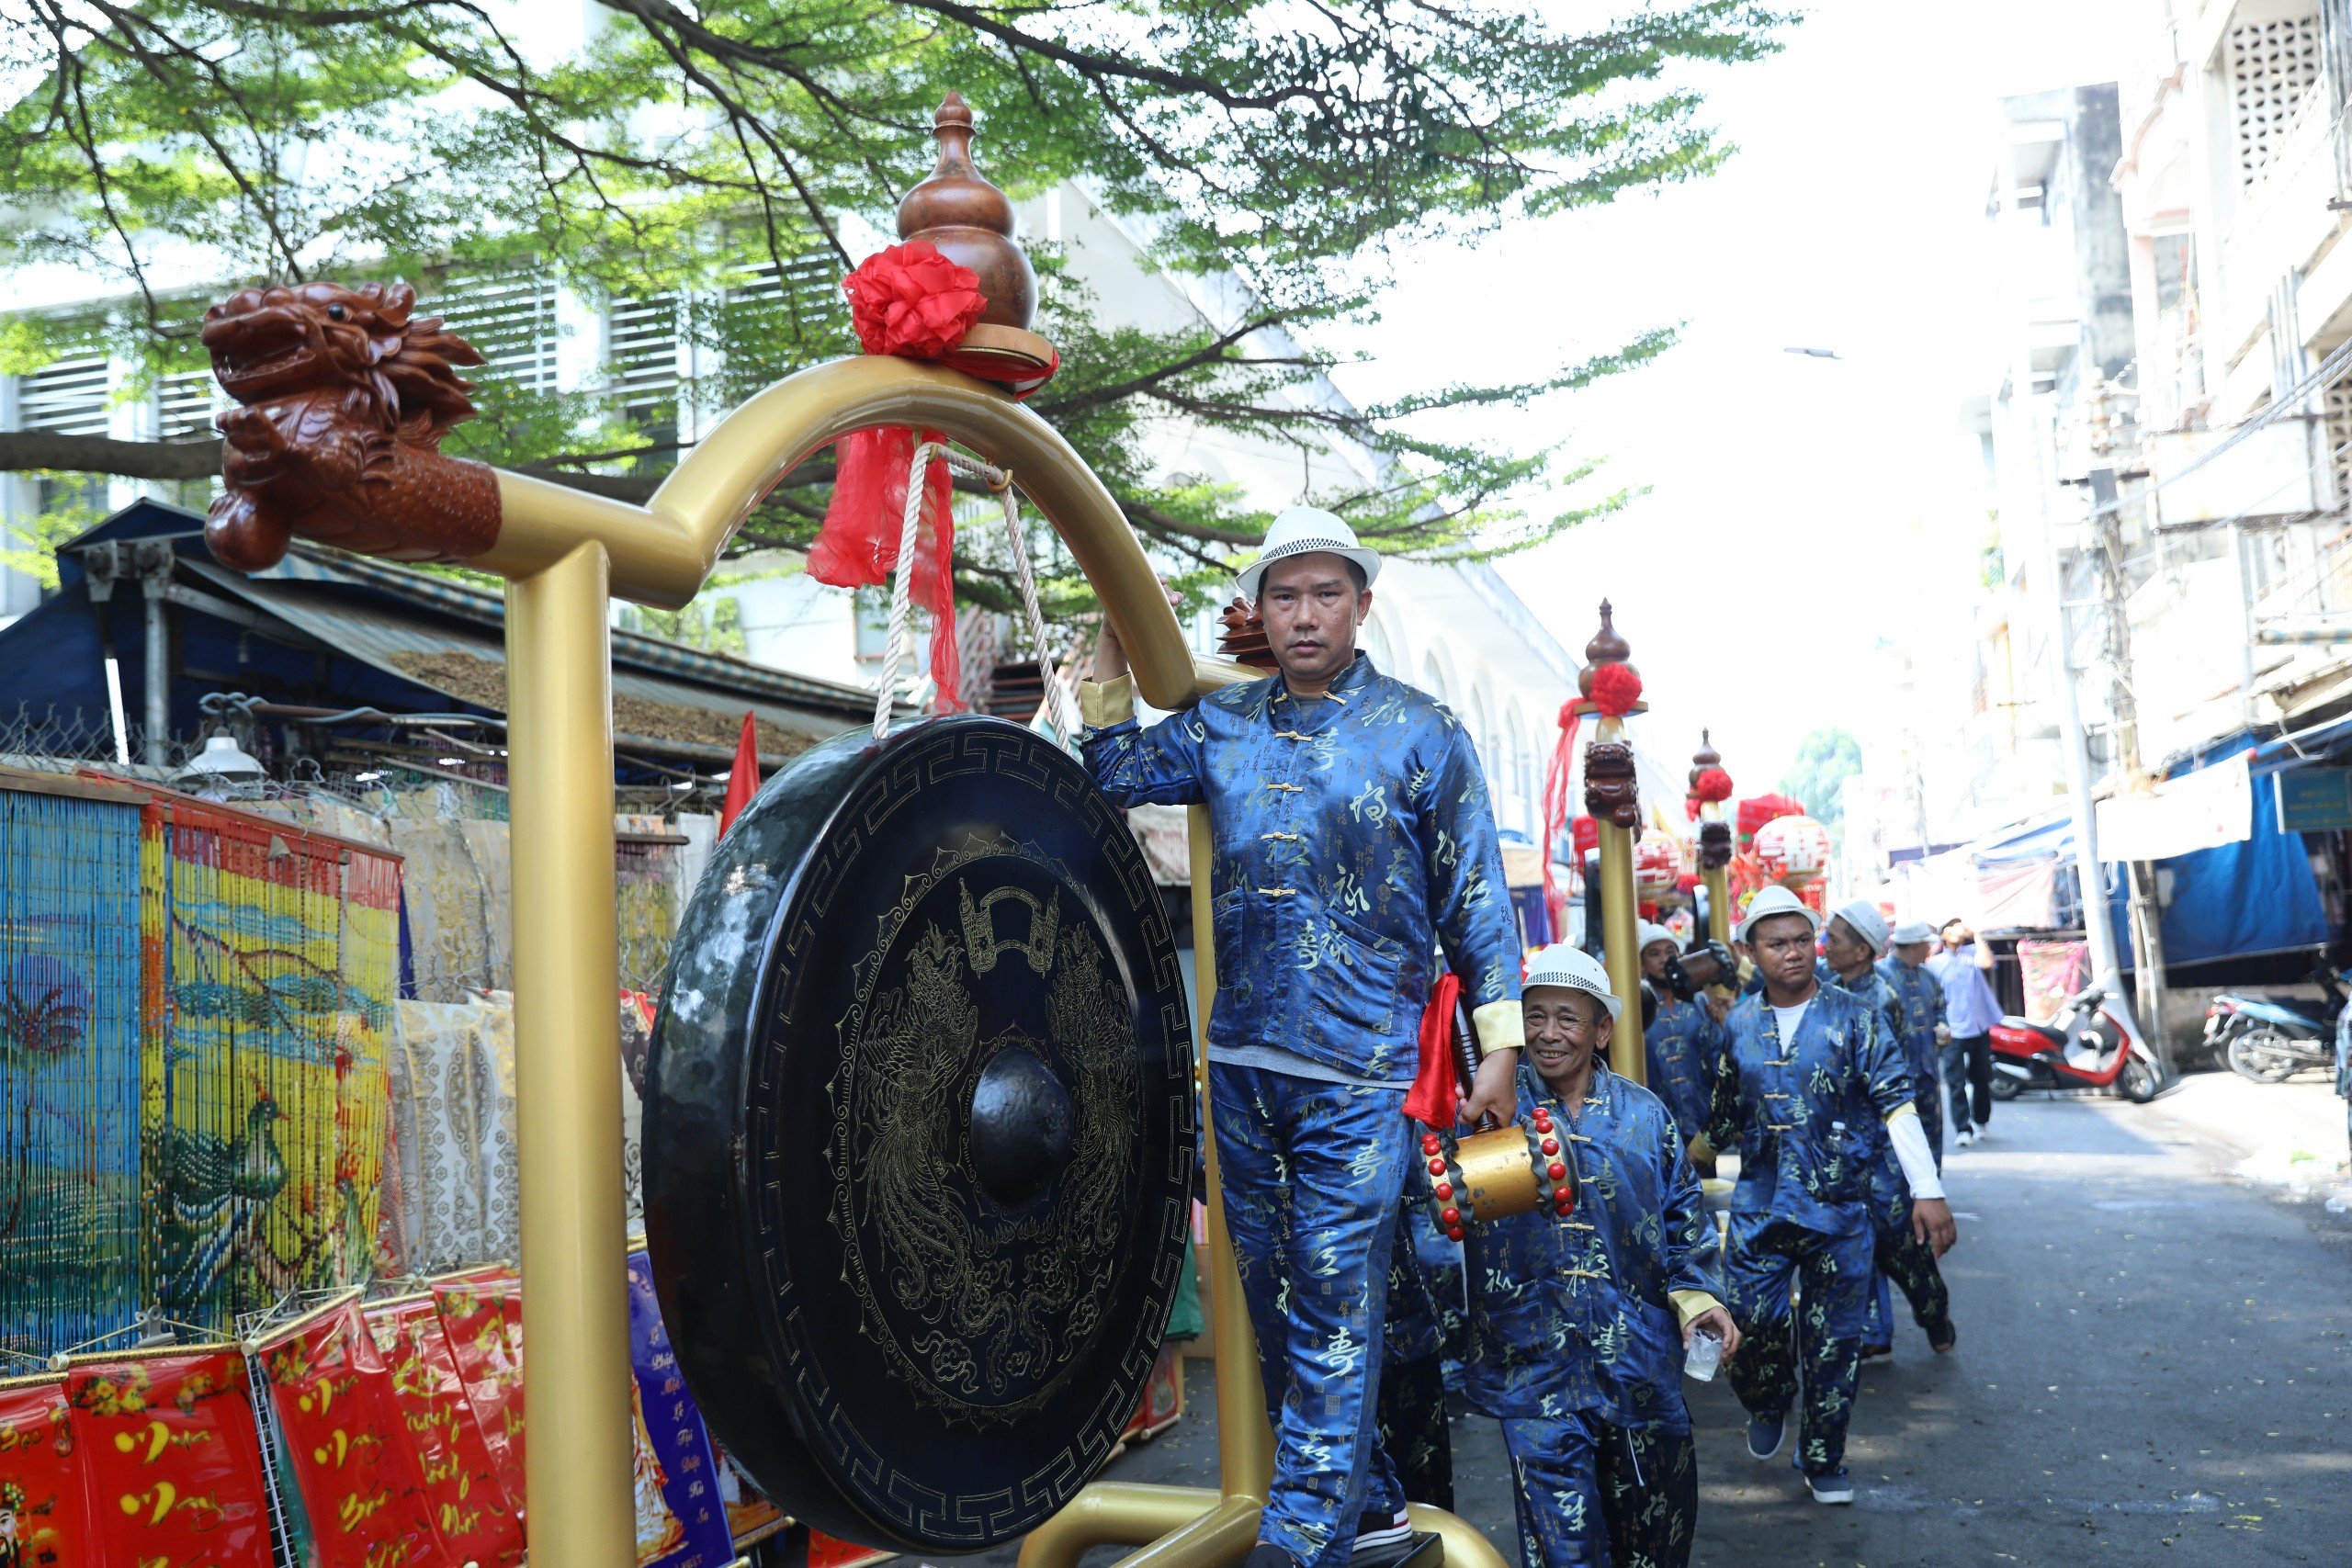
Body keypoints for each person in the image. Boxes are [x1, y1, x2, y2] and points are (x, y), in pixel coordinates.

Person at [1080, 508, 1523, 1568]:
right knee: (1278, 1305)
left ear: (1362, 607)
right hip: (1239, 1066)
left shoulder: (1424, 732)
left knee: (1331, 1293)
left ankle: (1301, 1535)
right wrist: (1107, 619)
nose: (1306, 614)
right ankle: (1366, 1502)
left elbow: (1477, 898)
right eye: (1286, 595)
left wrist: (1498, 1045)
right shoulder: (1225, 726)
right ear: (1259, 612)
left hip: (1361, 1076)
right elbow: (1110, 773)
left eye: (1327, 593)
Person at [1461, 942, 1739, 1568]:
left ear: (1602, 1028)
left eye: (1566, 1016)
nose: (1548, 1033)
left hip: (1638, 1366)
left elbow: (1685, 1226)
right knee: (1563, 1552)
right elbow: (1448, 1224)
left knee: (1654, 1540)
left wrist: (1698, 1304)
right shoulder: (1489, 1116)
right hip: (1534, 1370)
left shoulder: (1647, 1116)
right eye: (1534, 1017)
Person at [1692, 887, 1957, 1505]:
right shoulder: (1740, 1024)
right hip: (1760, 1211)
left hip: (1840, 1210)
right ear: (1751, 952)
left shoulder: (1858, 1017)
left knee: (1835, 1340)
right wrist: (1690, 1155)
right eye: (1775, 943)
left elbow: (1897, 1099)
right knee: (1751, 1328)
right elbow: (1726, 1113)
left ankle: (1824, 1455)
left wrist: (1928, 1188)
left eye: (1801, 940)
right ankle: (1767, 1398)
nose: (1793, 953)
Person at [1824, 901, 1957, 1360]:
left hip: (1880, 1147)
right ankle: (1875, 1333)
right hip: (1843, 1145)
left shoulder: (1878, 1001)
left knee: (1901, 1245)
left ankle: (1934, 1313)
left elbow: (1889, 1091)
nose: (1825, 947)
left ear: (1862, 950)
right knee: (1856, 1244)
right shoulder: (1835, 988)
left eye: (1834, 940)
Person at [1639, 920, 1728, 1148]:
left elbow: (1718, 1055)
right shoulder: (1639, 1004)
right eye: (1654, 953)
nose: (1664, 959)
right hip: (1653, 1125)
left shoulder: (1698, 1001)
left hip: (1701, 1119)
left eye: (1670, 951)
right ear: (1642, 963)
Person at [1929, 918, 2003, 1146]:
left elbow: (1987, 962)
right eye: (1951, 926)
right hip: (1952, 1030)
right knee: (1955, 1081)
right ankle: (1963, 1128)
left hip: (1978, 1026)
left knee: (1981, 1077)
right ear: (1943, 934)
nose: (1957, 929)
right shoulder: (1935, 963)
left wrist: (1977, 934)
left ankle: (1981, 1121)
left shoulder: (1972, 952)